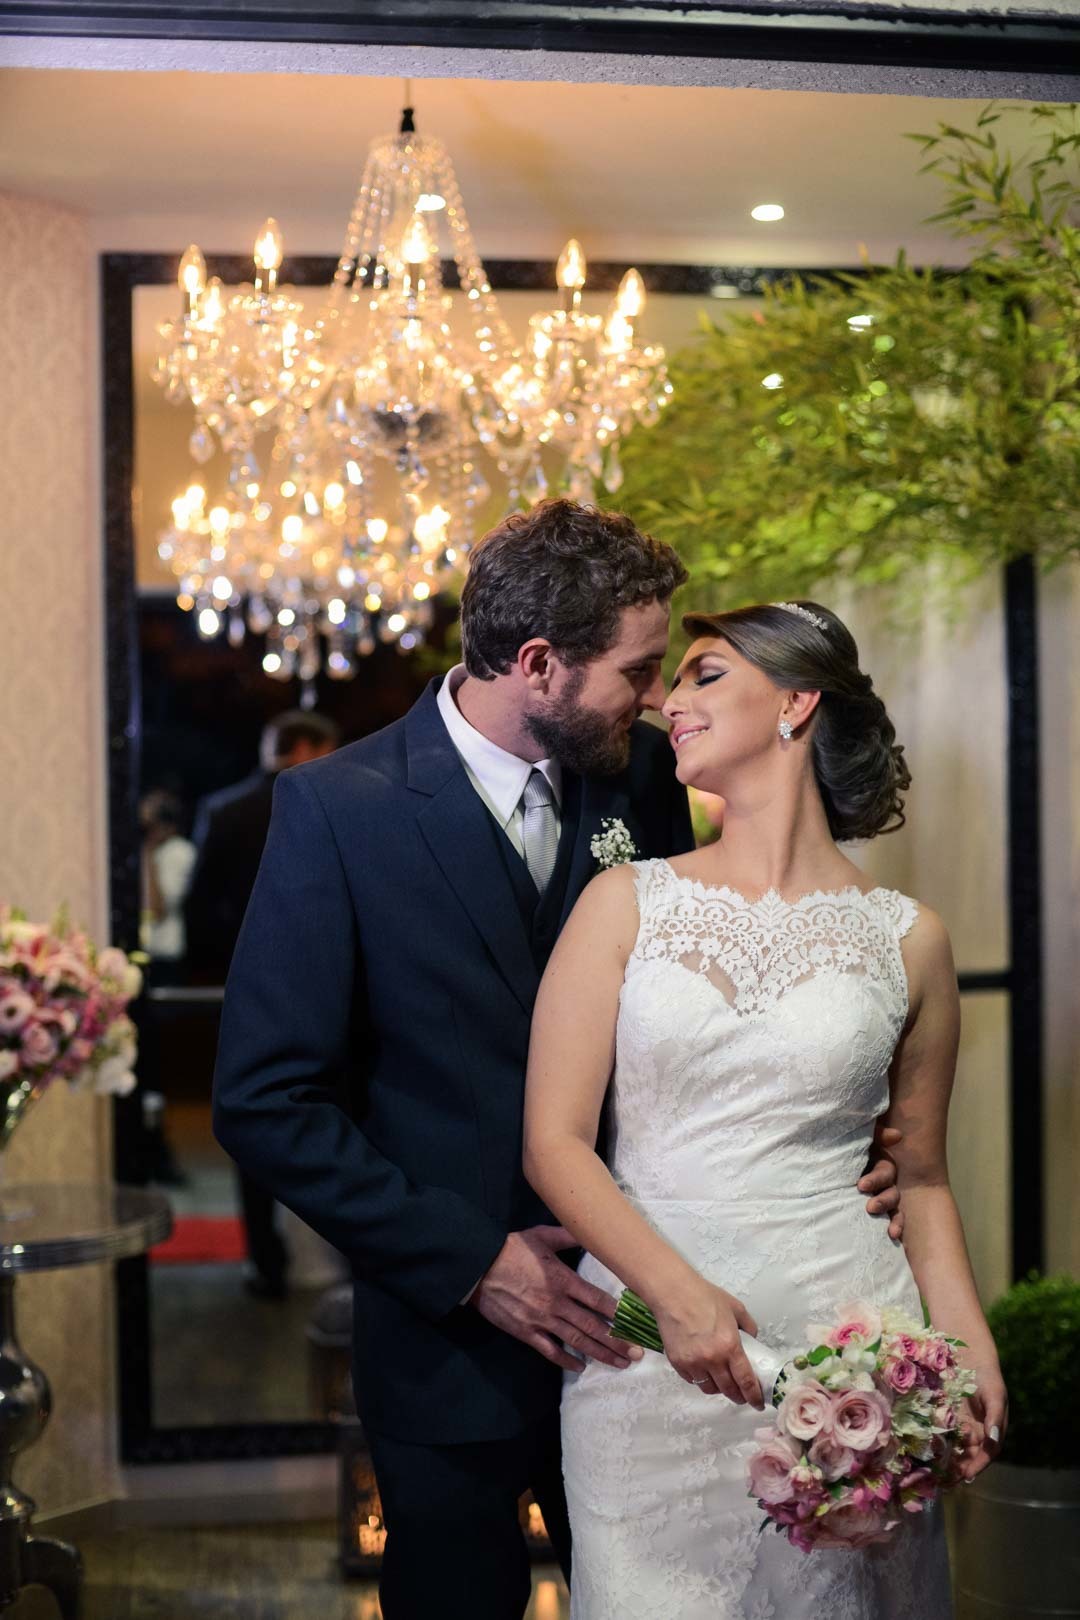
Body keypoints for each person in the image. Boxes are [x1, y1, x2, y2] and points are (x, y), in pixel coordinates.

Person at [212, 506, 903, 1619]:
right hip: (451, 1342)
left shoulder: (636, 779)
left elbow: (710, 993)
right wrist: (473, 1259)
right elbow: (264, 1101)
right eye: (635, 671)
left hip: (654, 1328)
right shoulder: (337, 812)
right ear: (538, 665)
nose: (654, 698)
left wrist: (848, 1141)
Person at [523, 600, 1007, 1620]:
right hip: (651, 1366)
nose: (666, 702)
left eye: (703, 675)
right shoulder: (625, 903)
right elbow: (554, 1146)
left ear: (796, 701)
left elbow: (919, 1178)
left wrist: (966, 1351)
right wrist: (678, 1298)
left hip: (857, 1363)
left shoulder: (910, 938)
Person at [188, 709, 340, 1298]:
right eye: (329, 747)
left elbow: (200, 911)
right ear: (304, 746)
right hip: (333, 985)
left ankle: (265, 1263)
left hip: (244, 989)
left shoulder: (223, 810)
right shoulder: (336, 800)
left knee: (252, 1120)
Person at [139, 788, 197, 969]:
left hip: (166, 954)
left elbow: (157, 910)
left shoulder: (180, 852)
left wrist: (148, 855)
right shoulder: (146, 852)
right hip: (145, 951)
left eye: (150, 826)